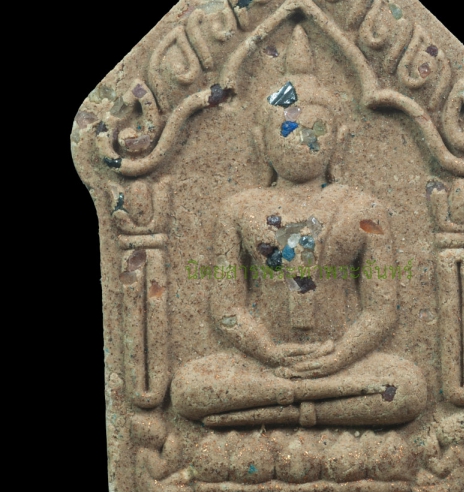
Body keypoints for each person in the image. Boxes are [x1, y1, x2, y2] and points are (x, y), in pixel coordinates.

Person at [171, 26, 426, 427]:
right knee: (188, 388)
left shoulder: (363, 209)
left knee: (407, 387)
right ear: (261, 141)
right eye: (285, 128)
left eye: (316, 129)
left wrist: (338, 357)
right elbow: (226, 308)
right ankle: (311, 405)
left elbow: (380, 311)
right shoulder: (239, 209)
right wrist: (269, 353)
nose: (300, 139)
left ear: (339, 139)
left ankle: (275, 410)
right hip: (264, 364)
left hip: (342, 363)